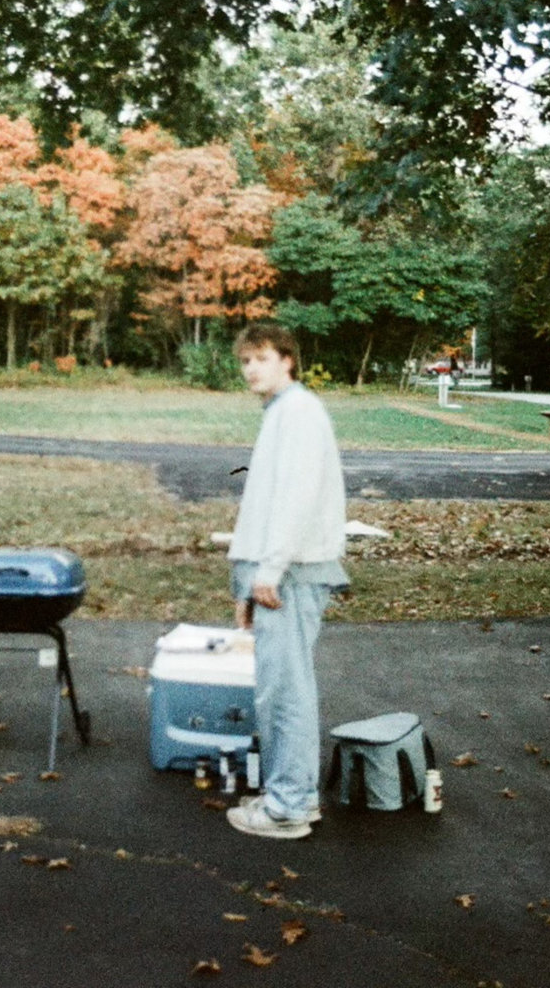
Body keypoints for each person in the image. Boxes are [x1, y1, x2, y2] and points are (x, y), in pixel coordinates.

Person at [224, 323, 348, 840]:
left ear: (287, 360)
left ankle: (288, 807)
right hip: (277, 573)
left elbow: (296, 499)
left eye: (262, 358)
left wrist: (269, 571)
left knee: (285, 694)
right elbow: (266, 504)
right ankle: (294, 795)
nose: (251, 368)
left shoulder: (298, 412)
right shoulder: (282, 411)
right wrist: (246, 581)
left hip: (290, 575)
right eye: (245, 360)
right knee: (280, 690)